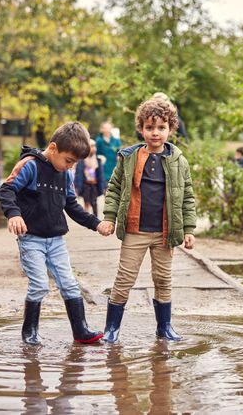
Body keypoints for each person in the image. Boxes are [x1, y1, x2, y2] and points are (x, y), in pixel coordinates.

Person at [0, 122, 112, 346]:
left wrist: (96, 223)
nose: (71, 167)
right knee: (40, 284)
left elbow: (72, 206)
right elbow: (7, 189)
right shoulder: (29, 166)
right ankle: (29, 331)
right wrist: (14, 214)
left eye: (75, 163)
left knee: (70, 283)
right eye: (68, 161)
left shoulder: (66, 175)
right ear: (53, 148)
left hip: (56, 240)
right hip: (31, 239)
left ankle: (81, 330)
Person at [99, 97, 197, 343]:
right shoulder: (128, 157)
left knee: (163, 279)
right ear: (141, 128)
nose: (155, 133)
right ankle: (112, 329)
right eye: (150, 127)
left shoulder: (179, 161)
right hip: (135, 230)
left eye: (161, 128)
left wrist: (188, 229)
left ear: (170, 129)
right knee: (124, 279)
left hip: (165, 233)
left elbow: (187, 197)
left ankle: (164, 327)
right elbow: (114, 188)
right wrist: (109, 217)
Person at [74, 139, 106, 217]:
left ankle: (96, 218)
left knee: (94, 202)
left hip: (94, 184)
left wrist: (103, 186)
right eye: (91, 146)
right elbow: (78, 174)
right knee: (86, 202)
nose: (93, 148)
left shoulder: (97, 160)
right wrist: (77, 186)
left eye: (94, 146)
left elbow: (101, 174)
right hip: (86, 184)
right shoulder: (81, 161)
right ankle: (86, 218)